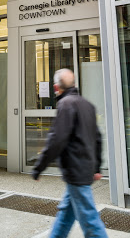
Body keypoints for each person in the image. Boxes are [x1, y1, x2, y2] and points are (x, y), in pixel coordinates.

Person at [32, 68, 107, 238]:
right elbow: (97, 139)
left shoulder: (66, 105)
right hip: (84, 168)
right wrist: (96, 167)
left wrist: (39, 167)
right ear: (74, 84)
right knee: (65, 215)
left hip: (75, 171)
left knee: (90, 221)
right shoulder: (87, 105)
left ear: (56, 87)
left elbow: (56, 140)